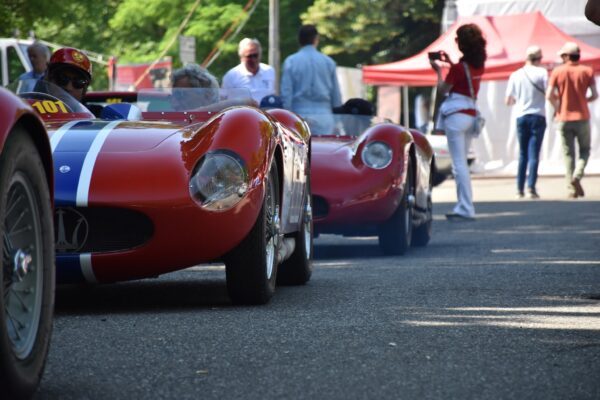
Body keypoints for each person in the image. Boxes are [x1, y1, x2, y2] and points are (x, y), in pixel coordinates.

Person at [430, 23, 487, 222]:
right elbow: (465, 73)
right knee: (462, 164)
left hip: (456, 116)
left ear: (461, 44)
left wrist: (438, 70)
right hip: (472, 114)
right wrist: (449, 63)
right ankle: (466, 206)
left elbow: (442, 90)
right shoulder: (478, 64)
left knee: (459, 165)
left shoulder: (457, 68)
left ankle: (465, 207)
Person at [546, 42, 598, 198]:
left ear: (566, 56)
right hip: (582, 116)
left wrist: (557, 107)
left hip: (564, 117)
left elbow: (549, 95)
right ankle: (577, 175)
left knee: (568, 154)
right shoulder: (587, 71)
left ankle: (571, 188)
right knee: (584, 150)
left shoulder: (558, 71)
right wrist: (584, 100)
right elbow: (595, 94)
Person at [505, 45, 548, 199]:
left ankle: (519, 189)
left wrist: (519, 99)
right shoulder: (542, 72)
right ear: (539, 58)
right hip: (538, 115)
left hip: (521, 115)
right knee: (534, 154)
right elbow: (549, 93)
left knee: (522, 153)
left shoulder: (515, 74)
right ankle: (531, 188)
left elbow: (508, 100)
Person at [280, 24, 342, 117]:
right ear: (316, 39)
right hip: (324, 114)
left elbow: (286, 93)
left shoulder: (291, 61)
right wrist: (337, 117)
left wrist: (287, 113)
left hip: (299, 113)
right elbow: (336, 95)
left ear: (299, 40)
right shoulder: (328, 62)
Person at [170, 63, 255, 111]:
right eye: (173, 96)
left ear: (206, 96)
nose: (174, 103)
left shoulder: (221, 124)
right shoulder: (168, 123)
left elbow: (250, 103)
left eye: (181, 95)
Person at [222, 38, 275, 104]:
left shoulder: (269, 71)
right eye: (249, 56)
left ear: (260, 54)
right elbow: (223, 100)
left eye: (255, 55)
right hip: (242, 113)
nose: (253, 59)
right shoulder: (231, 75)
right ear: (242, 57)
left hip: (265, 112)